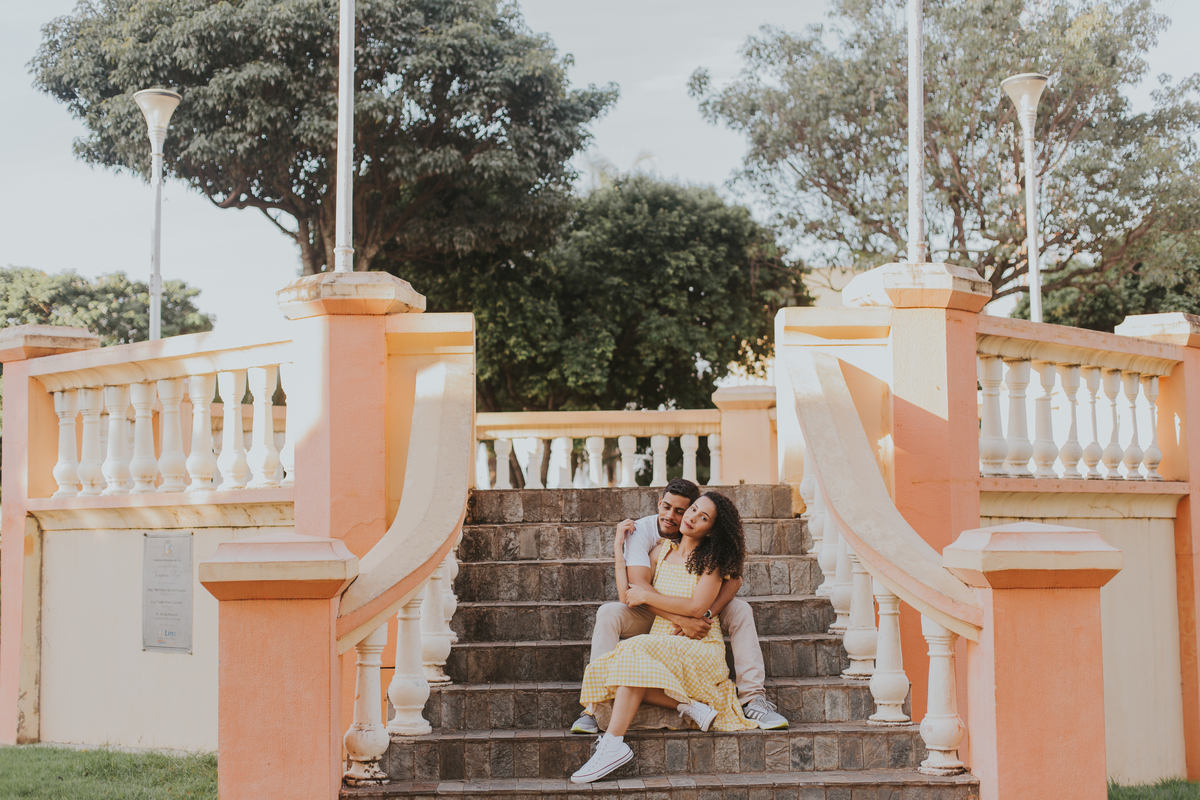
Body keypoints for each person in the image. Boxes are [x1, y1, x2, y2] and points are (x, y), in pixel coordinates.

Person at [570, 478, 787, 734]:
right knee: (609, 614)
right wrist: (619, 548)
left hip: (698, 618)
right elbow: (633, 590)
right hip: (657, 618)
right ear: (660, 503)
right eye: (669, 508)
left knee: (740, 609)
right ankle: (595, 708)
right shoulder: (646, 536)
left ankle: (752, 698)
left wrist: (704, 614)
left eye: (685, 511)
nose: (676, 517)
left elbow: (731, 582)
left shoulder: (711, 555)